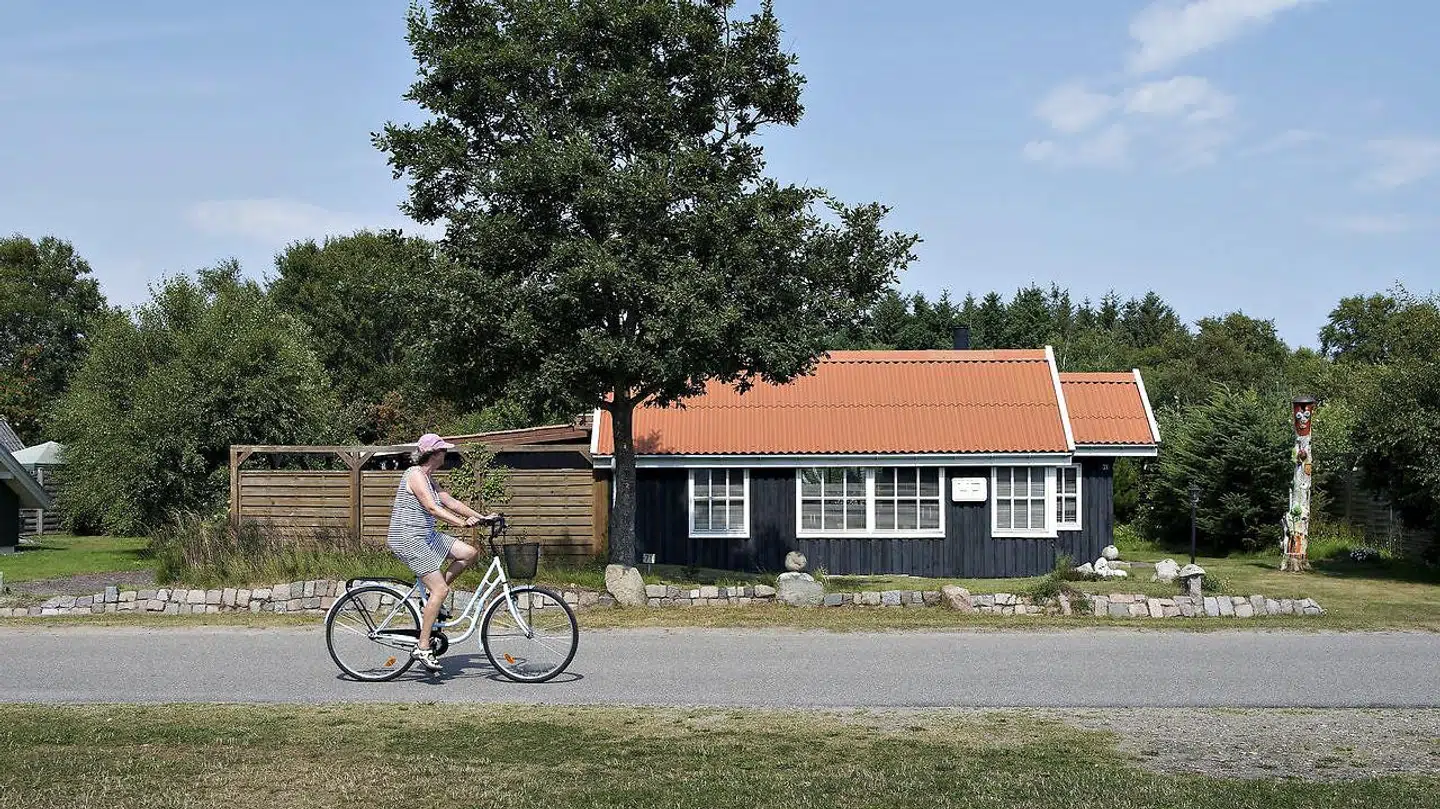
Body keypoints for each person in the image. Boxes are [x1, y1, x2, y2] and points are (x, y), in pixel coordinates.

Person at [386, 433, 498, 672]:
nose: (446, 454)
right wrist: (461, 523)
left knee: (470, 553)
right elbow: (431, 507)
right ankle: (423, 646)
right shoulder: (415, 475)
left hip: (426, 535)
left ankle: (432, 601)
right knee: (441, 589)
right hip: (408, 538)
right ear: (433, 454)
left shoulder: (430, 479)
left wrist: (482, 518)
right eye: (443, 450)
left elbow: (452, 503)